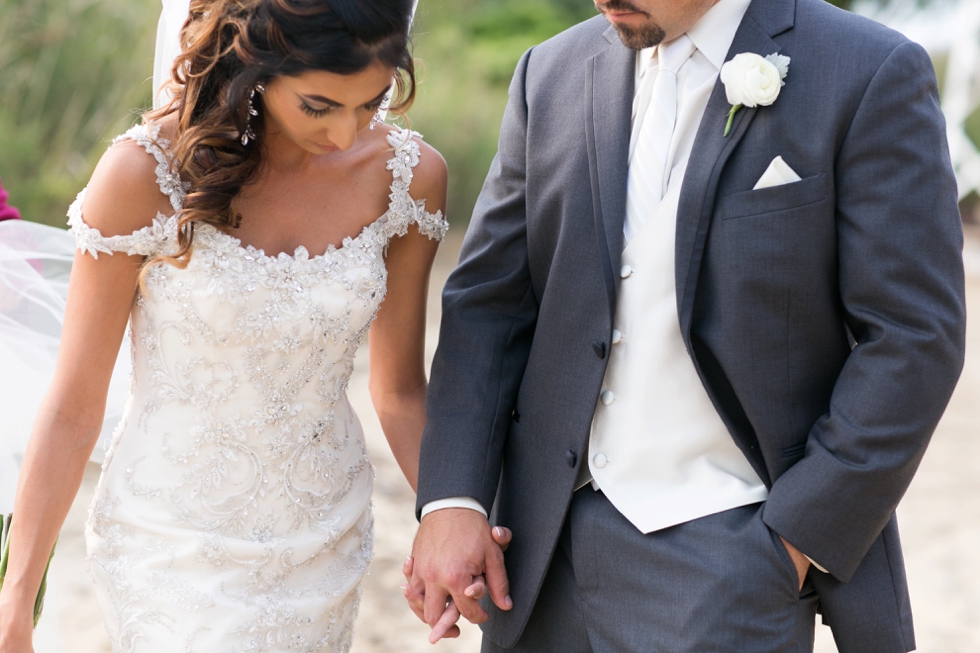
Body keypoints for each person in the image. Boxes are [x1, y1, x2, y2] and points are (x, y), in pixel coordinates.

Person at [405, 0, 967, 651]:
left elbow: (913, 336)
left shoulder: (867, 71)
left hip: (734, 561)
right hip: (538, 558)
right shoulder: (549, 73)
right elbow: (488, 304)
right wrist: (454, 498)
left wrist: (794, 541)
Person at [0, 1, 453, 651]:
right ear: (255, 62)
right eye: (320, 106)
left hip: (323, 536)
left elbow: (401, 391)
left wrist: (447, 513)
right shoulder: (143, 175)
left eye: (372, 101)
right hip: (170, 543)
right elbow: (73, 407)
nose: (349, 134)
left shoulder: (409, 179)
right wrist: (16, 598)